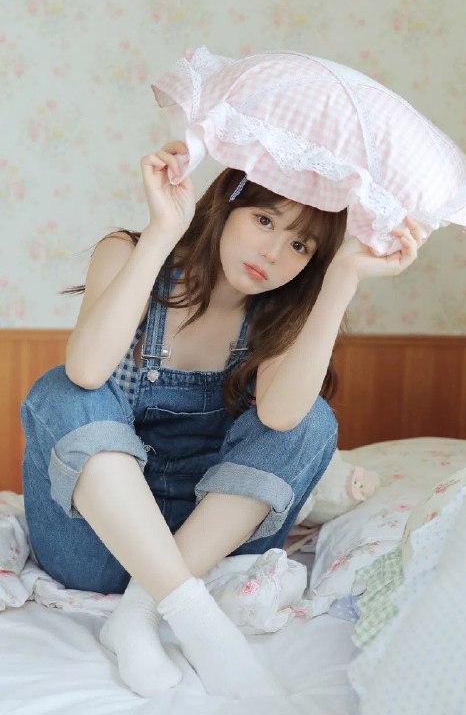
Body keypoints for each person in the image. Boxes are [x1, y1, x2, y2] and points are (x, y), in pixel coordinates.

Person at [21, 140, 423, 699]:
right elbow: (87, 370)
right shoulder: (128, 252)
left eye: (300, 245)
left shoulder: (282, 312)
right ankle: (198, 621)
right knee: (62, 390)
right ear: (227, 202)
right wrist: (163, 232)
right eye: (264, 220)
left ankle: (140, 610)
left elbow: (283, 417)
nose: (273, 253)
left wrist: (342, 279)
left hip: (209, 547)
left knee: (311, 420)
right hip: (96, 546)